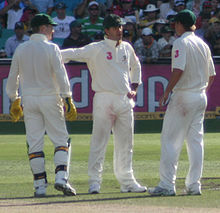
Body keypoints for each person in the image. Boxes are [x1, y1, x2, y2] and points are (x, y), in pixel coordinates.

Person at [61, 14, 147, 194]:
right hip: (103, 98)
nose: (120, 30)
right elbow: (71, 54)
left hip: (124, 99)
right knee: (99, 141)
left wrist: (134, 87)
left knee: (126, 143)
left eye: (121, 27)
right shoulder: (96, 48)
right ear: (107, 30)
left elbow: (136, 66)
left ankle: (127, 182)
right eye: (116, 27)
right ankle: (94, 182)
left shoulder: (127, 47)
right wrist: (48, 53)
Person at [6, 13, 77, 197]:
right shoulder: (52, 48)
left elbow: (13, 76)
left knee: (34, 142)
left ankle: (39, 185)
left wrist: (14, 99)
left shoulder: (21, 49)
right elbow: (61, 75)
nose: (53, 30)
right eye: (51, 27)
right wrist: (67, 97)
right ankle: (61, 178)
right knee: (61, 139)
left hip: (29, 100)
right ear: (43, 28)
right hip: (50, 98)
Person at [148, 9, 216, 196]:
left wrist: (167, 91)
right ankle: (194, 185)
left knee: (170, 140)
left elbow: (178, 70)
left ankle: (167, 185)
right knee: (195, 142)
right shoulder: (203, 44)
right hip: (200, 96)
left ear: (180, 24)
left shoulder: (180, 42)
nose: (174, 26)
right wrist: (201, 91)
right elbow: (212, 75)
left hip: (184, 96)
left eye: (176, 23)